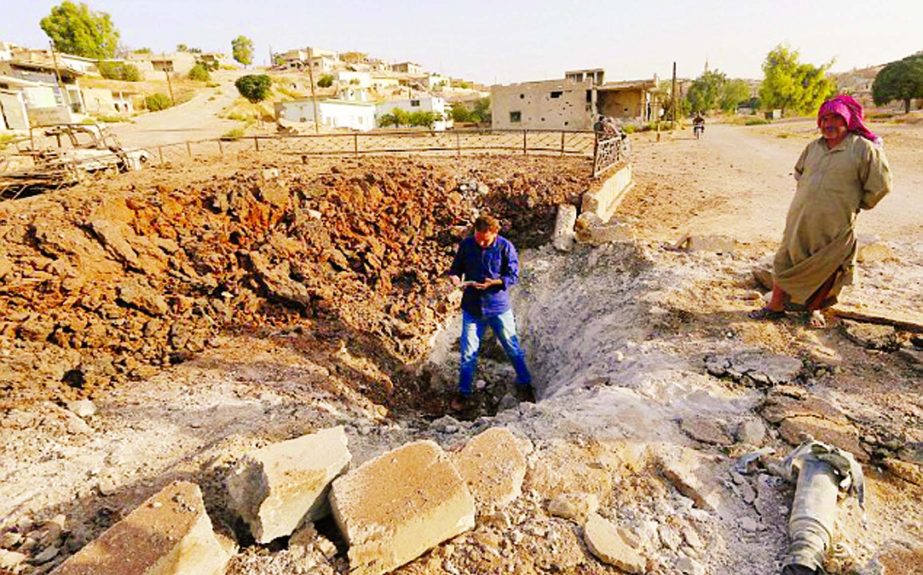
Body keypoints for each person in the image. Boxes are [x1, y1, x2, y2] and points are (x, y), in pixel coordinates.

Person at [750, 94, 891, 328]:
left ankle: (814, 309)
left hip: (836, 222)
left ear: (848, 120)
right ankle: (775, 306)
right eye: (824, 118)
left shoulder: (864, 149)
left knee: (827, 266)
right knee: (785, 258)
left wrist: (854, 204)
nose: (829, 124)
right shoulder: (813, 147)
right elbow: (799, 173)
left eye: (836, 118)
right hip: (800, 218)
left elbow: (881, 186)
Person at [447, 215, 533, 411]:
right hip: (472, 308)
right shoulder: (468, 245)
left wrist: (493, 283)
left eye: (485, 239)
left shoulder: (505, 247)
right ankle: (464, 393)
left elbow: (513, 276)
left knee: (512, 347)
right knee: (468, 353)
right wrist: (454, 278)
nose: (481, 242)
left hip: (498, 308)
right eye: (478, 238)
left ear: (495, 233)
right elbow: (455, 269)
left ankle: (525, 384)